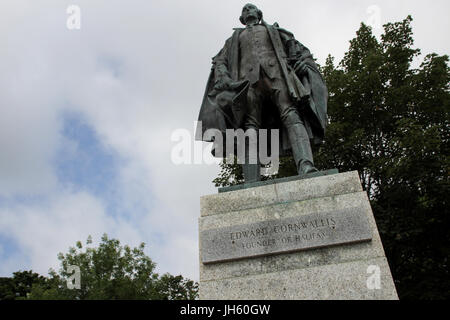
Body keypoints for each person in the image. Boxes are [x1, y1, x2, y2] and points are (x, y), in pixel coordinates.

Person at [197, 3, 328, 182]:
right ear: (241, 19)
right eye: (244, 10)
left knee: (291, 115)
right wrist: (226, 79)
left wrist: (302, 64)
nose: (248, 11)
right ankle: (251, 180)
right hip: (246, 84)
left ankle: (306, 166)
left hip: (277, 77)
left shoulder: (275, 30)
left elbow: (297, 51)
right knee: (249, 127)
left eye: (251, 8)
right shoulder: (233, 39)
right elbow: (219, 62)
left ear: (259, 13)